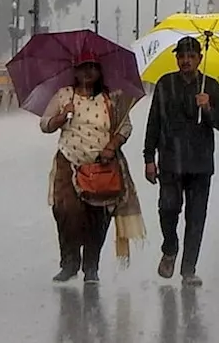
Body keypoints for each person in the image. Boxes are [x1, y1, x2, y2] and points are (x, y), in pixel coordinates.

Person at [40, 55, 146, 283]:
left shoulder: (110, 98)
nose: (87, 73)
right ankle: (69, 262)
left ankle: (91, 266)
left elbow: (125, 127)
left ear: (100, 71)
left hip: (102, 165)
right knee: (66, 212)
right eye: (82, 68)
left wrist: (111, 147)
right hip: (68, 162)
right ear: (74, 71)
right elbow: (45, 125)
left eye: (92, 68)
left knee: (97, 217)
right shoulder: (64, 95)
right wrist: (62, 116)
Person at [143, 36, 219, 286]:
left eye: (191, 56)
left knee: (196, 218)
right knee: (167, 209)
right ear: (176, 58)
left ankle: (188, 269)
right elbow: (154, 123)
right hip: (171, 161)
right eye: (182, 56)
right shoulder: (164, 84)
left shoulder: (211, 87)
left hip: (200, 164)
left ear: (199, 59)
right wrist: (149, 157)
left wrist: (208, 109)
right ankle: (170, 246)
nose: (186, 61)